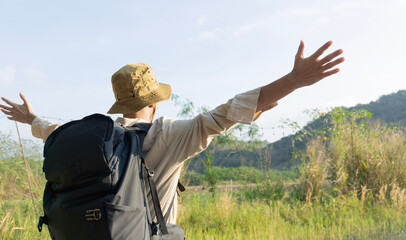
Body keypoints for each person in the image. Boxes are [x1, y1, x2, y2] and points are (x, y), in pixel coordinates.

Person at [0, 40, 344, 223]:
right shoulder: (170, 134)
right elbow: (228, 112)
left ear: (119, 104)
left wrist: (31, 118)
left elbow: (54, 131)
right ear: (156, 102)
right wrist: (294, 81)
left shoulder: (92, 138)